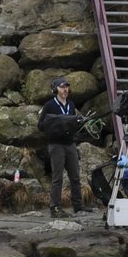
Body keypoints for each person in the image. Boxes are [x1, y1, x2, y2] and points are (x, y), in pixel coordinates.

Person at [38, 77, 84, 216]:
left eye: (66, 87)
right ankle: (55, 208)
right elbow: (40, 126)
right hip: (56, 145)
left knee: (75, 177)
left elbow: (73, 124)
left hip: (70, 144)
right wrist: (56, 123)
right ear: (55, 89)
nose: (65, 89)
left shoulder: (71, 104)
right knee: (58, 177)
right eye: (62, 87)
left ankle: (78, 206)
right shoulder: (49, 105)